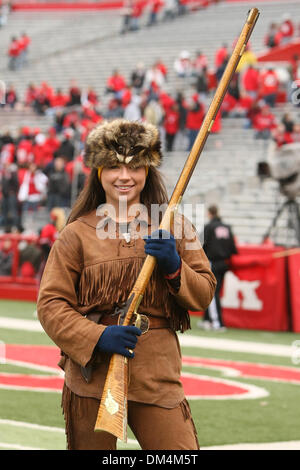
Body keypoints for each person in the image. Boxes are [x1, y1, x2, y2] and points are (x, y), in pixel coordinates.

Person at [37, 118, 216, 450]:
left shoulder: (174, 226)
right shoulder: (75, 233)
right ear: (98, 172)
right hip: (92, 374)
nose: (124, 176)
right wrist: (99, 336)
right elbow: (50, 305)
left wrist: (175, 267)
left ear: (147, 170)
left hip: (157, 373)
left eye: (134, 167)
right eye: (113, 167)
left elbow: (203, 294)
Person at [200, 205, 237, 331]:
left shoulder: (209, 226)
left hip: (212, 262)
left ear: (209, 213)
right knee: (215, 292)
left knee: (211, 292)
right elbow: (233, 248)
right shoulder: (226, 227)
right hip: (224, 263)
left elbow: (200, 244)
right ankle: (207, 320)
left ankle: (217, 323)